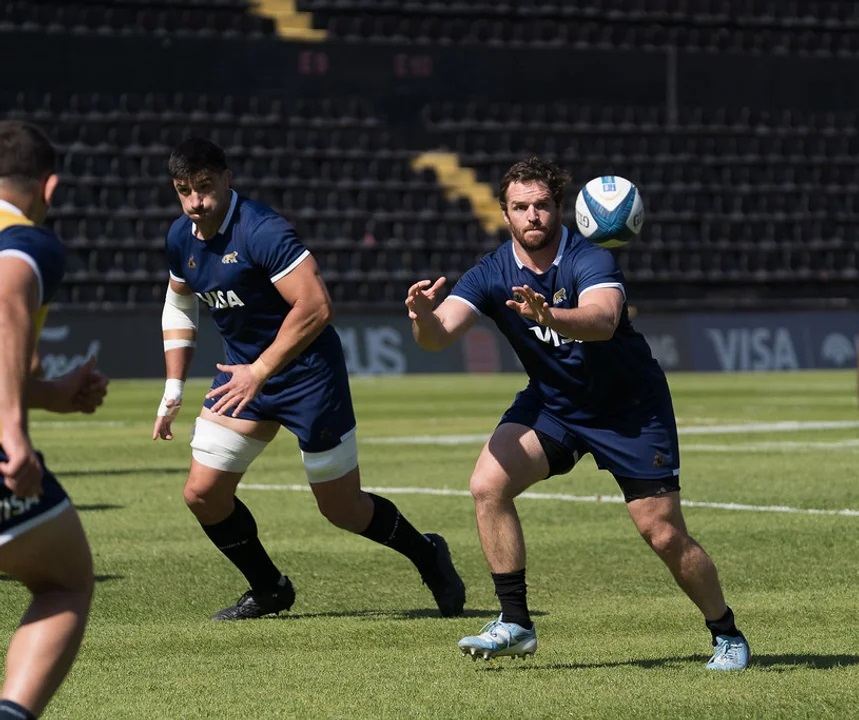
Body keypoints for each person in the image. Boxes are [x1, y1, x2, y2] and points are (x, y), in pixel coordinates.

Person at [405, 155, 749, 670]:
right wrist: (422, 317)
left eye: (542, 205)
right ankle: (516, 622)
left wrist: (551, 316)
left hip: (628, 409)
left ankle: (727, 633)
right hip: (555, 404)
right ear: (505, 214)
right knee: (487, 485)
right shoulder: (492, 271)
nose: (533, 217)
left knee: (661, 532)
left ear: (560, 209)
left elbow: (604, 320)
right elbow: (438, 338)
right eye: (521, 207)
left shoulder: (591, 259)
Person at [151, 137, 465, 620]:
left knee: (342, 509)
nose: (195, 202)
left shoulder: (261, 230)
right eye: (183, 191)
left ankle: (427, 553)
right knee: (203, 494)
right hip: (244, 378)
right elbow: (179, 300)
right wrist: (174, 387)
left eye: (204, 187)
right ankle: (270, 588)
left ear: (227, 179)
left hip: (308, 376)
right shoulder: (180, 236)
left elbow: (316, 306)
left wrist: (261, 370)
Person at [0, 120, 108, 720]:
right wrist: (14, 432)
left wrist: (48, 394)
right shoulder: (26, 241)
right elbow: (6, 296)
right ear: (50, 186)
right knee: (64, 581)